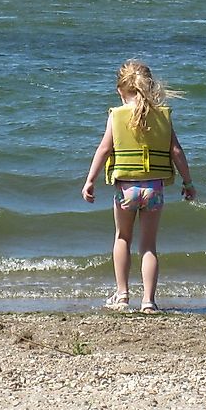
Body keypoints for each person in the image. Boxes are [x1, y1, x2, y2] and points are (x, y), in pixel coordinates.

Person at [82, 60, 196, 313]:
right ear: (150, 86)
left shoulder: (117, 115)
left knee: (123, 237)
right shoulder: (162, 116)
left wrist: (90, 180)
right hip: (154, 189)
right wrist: (188, 182)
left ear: (120, 90)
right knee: (148, 245)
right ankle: (148, 301)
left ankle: (122, 296)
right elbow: (176, 151)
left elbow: (104, 149)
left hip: (126, 190)